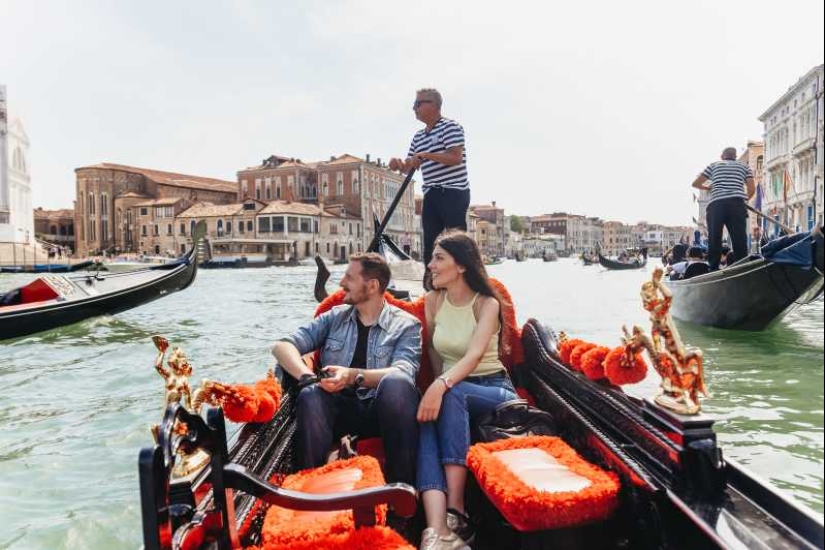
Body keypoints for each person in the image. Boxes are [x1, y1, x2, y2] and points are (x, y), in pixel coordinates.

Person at [271, 253, 422, 486]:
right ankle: (307, 486)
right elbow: (282, 346)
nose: (341, 283)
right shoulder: (334, 317)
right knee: (310, 394)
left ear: (372, 286)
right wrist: (308, 377)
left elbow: (404, 372)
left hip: (381, 412)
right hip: (337, 409)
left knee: (397, 384)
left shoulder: (406, 325)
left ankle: (402, 488)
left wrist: (351, 376)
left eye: (349, 278)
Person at [416, 231, 517, 550]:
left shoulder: (487, 303)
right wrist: (436, 389)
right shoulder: (433, 301)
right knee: (424, 421)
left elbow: (474, 356)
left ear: (461, 265)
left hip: (494, 389)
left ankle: (456, 510)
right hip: (451, 388)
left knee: (453, 393)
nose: (430, 265)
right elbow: (434, 353)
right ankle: (437, 530)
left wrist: (439, 386)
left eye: (439, 258)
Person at [389, 89, 470, 289]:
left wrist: (426, 155)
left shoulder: (450, 127)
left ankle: (466, 285)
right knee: (430, 244)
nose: (414, 108)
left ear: (433, 105)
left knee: (457, 243)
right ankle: (431, 288)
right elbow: (410, 165)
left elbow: (455, 158)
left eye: (418, 104)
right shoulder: (418, 136)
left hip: (453, 192)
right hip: (431, 194)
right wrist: (398, 165)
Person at [691, 147, 756, 270]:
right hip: (736, 204)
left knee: (714, 238)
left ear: (722, 156)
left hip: (716, 205)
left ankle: (713, 267)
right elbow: (752, 188)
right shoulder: (744, 167)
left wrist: (709, 187)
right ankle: (742, 266)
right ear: (735, 156)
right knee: (739, 239)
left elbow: (696, 183)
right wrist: (744, 200)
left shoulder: (713, 166)